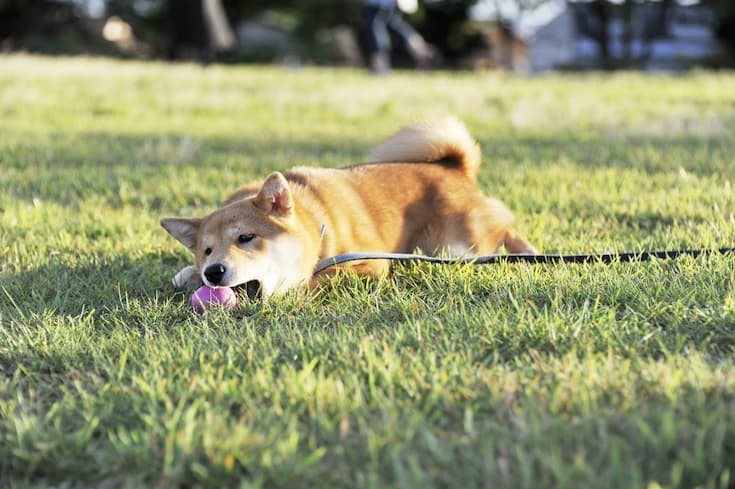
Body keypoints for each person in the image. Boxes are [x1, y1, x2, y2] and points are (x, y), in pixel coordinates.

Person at [363, 0, 438, 74]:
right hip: (387, 4)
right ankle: (421, 50)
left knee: (376, 28)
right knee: (394, 25)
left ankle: (380, 65)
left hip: (379, 3)